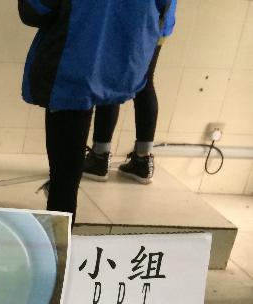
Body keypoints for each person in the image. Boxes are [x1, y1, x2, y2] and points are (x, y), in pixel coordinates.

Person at [19, 0, 172, 221]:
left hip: (73, 62)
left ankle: (56, 239)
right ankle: (123, 156)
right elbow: (164, 13)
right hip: (123, 58)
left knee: (64, 183)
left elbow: (34, 11)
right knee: (109, 95)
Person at [83, 1, 177, 184]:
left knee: (111, 81)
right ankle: (143, 159)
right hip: (159, 20)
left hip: (129, 18)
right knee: (146, 83)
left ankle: (99, 158)